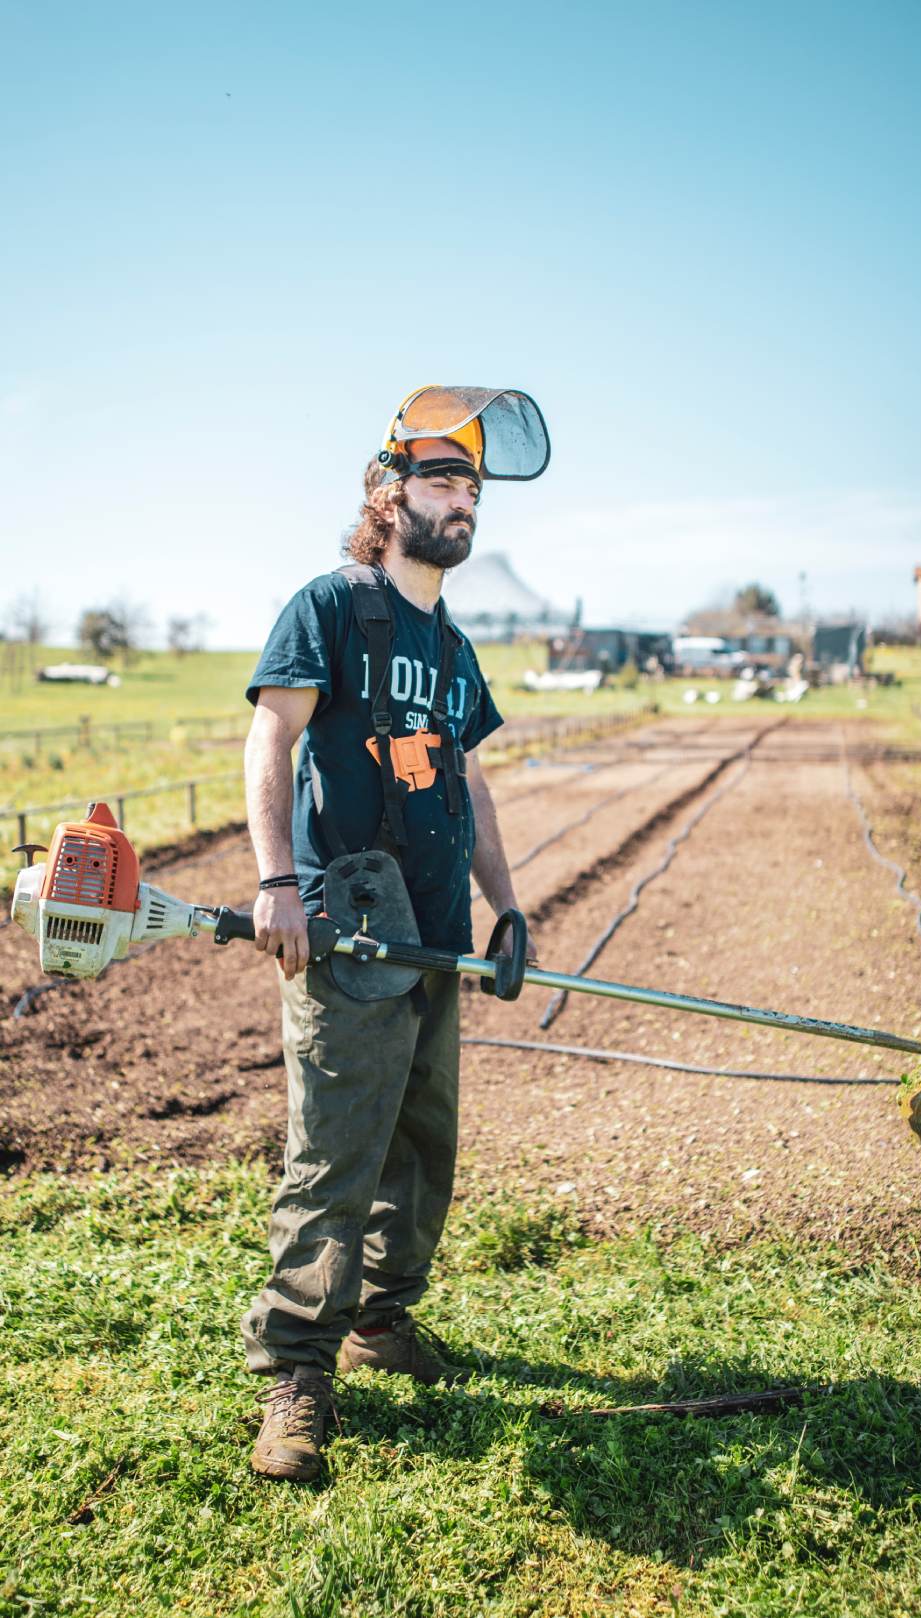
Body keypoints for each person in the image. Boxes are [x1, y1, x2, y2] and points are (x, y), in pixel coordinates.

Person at [242, 388, 547, 1481]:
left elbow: (470, 780)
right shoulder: (330, 605)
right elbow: (269, 741)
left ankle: (382, 1321)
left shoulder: (455, 649)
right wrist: (279, 879)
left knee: (422, 1146)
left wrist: (506, 907)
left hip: (437, 936)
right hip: (348, 930)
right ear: (387, 493)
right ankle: (296, 1376)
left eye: (471, 487)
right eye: (439, 480)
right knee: (335, 1153)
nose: (461, 502)